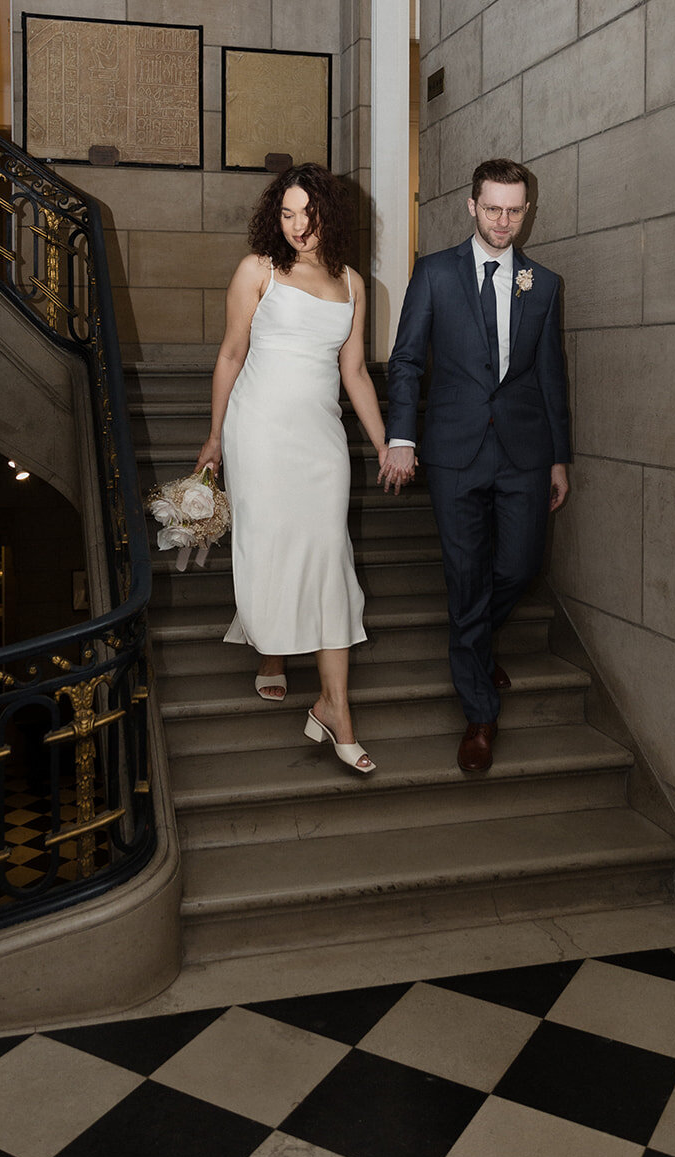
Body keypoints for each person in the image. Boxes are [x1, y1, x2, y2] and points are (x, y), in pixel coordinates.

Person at [196, 163, 397, 774]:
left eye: (307, 215)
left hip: (320, 441)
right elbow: (231, 353)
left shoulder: (353, 284)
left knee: (328, 553)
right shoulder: (258, 270)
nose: (297, 227)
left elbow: (355, 372)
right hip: (258, 430)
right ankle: (278, 657)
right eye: (286, 215)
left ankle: (332, 704)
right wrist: (214, 437)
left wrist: (386, 444)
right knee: (273, 545)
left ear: (328, 216)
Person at [379, 158, 571, 773]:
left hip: (524, 451)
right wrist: (402, 436)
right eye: (493, 208)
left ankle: (474, 641)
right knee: (466, 577)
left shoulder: (543, 283)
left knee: (519, 565)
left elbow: (550, 376)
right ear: (471, 205)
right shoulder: (435, 273)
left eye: (516, 210)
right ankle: (480, 713)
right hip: (455, 450)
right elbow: (405, 360)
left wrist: (558, 458)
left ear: (526, 211)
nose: (504, 220)